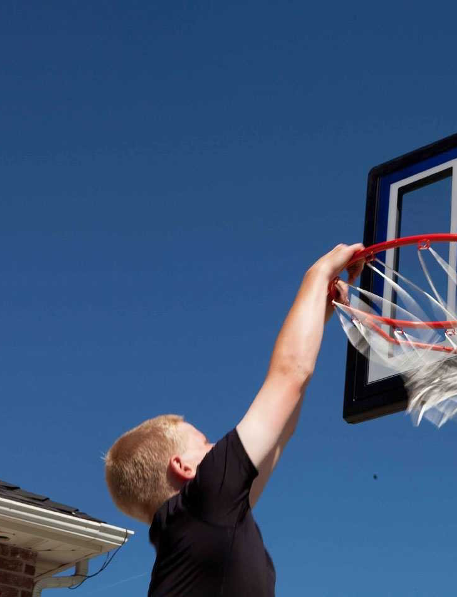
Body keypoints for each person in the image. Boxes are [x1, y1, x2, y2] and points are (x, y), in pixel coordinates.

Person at [104, 243, 363, 597]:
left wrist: (317, 316)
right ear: (183, 466)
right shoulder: (204, 502)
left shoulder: (194, 531)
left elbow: (279, 435)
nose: (216, 446)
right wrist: (317, 275)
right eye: (204, 442)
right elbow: (289, 375)